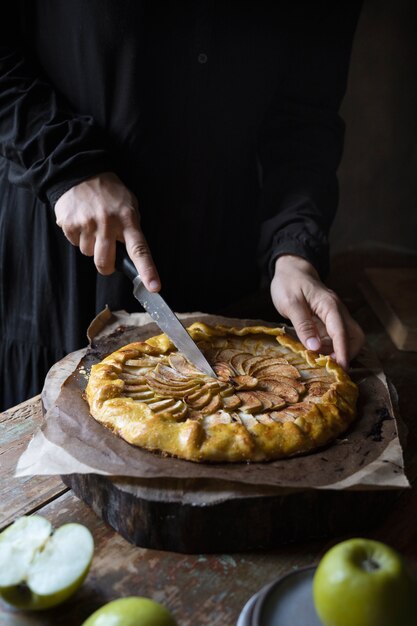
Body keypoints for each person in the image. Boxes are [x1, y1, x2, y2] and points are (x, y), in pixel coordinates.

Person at [0, 1, 364, 411]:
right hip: (61, 251)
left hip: (222, 261)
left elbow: (306, 116)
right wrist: (66, 165)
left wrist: (294, 250)